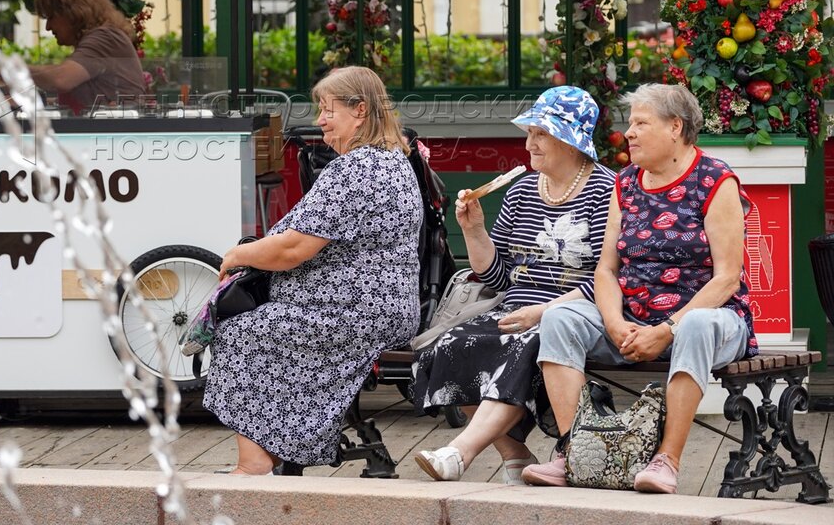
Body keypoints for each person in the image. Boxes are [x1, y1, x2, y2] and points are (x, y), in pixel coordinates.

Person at [522, 83, 757, 494]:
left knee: (696, 325)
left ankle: (667, 461)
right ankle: (576, 452)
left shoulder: (715, 180)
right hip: (633, 320)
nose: (628, 132)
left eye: (641, 123)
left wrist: (666, 329)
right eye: (630, 123)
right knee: (559, 317)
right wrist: (614, 323)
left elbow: (727, 278)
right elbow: (607, 270)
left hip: (709, 319)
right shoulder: (626, 182)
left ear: (675, 127)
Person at [203, 66, 421, 475]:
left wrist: (237, 255)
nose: (320, 120)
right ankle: (274, 451)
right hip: (379, 309)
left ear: (360, 111)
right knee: (263, 327)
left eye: (328, 110)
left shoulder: (355, 169)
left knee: (240, 333)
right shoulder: (393, 159)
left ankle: (254, 464)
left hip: (354, 313)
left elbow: (293, 249)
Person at [410, 86, 615, 484]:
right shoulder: (521, 191)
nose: (528, 144)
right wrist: (474, 230)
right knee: (448, 346)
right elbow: (499, 278)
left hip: (574, 314)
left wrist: (543, 311)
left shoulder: (607, 191)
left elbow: (609, 278)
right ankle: (515, 455)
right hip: (514, 308)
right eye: (530, 132)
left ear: (570, 141)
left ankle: (460, 453)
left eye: (540, 134)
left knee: (522, 345)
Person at [29, 0, 145, 114]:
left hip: (116, 127)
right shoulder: (102, 38)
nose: (48, 27)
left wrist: (13, 70)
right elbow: (86, 99)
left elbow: (61, 79)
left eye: (51, 17)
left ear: (72, 12)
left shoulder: (105, 38)